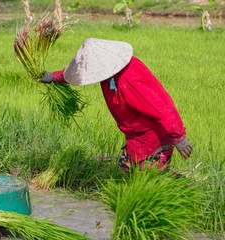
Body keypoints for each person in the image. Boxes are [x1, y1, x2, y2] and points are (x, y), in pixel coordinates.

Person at [38, 38, 192, 174]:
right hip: (135, 135)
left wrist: (178, 137)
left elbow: (161, 106)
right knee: (126, 167)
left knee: (150, 176)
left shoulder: (129, 79)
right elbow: (81, 72)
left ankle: (187, 191)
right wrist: (54, 77)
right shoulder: (109, 73)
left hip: (153, 136)